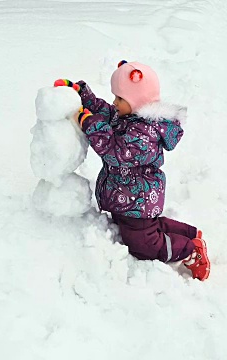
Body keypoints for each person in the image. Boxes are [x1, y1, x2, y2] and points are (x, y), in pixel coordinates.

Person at [54, 60, 210, 281]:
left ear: (137, 101)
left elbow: (115, 153)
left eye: (120, 98)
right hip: (129, 199)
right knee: (146, 227)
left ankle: (189, 250)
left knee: (144, 245)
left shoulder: (144, 134)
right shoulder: (129, 116)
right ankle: (191, 234)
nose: (114, 103)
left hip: (138, 200)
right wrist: (83, 94)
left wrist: (89, 123)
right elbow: (106, 112)